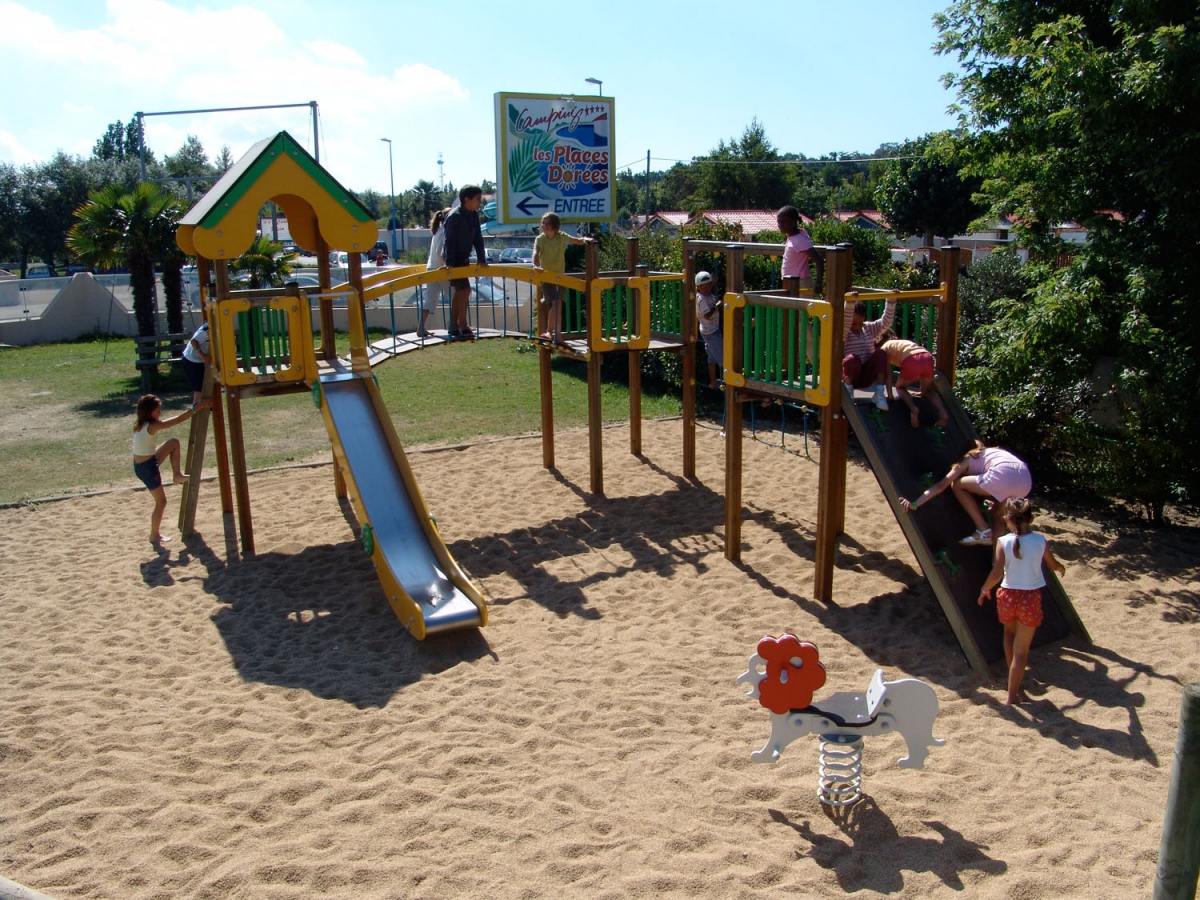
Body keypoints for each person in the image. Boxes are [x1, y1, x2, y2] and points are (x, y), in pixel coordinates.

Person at [977, 498, 1066, 704]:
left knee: (1009, 633)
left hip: (1007, 595)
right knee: (1022, 651)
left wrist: (984, 589)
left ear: (1008, 519)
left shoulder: (1003, 541)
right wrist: (1061, 567)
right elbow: (1052, 565)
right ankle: (1012, 695)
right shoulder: (1039, 541)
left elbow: (996, 573)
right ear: (1030, 518)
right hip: (1029, 597)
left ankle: (1013, 678)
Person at [900, 439, 1033, 546]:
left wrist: (915, 503)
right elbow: (1007, 477)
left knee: (957, 485)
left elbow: (941, 486)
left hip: (1002, 476)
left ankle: (983, 529)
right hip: (1025, 481)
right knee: (998, 516)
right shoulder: (993, 452)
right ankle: (998, 564)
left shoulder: (970, 458)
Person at [132, 394, 209, 544]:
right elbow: (177, 420)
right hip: (147, 468)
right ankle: (154, 535)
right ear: (149, 411)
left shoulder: (141, 424)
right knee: (161, 502)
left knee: (173, 443)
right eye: (157, 411)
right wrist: (196, 408)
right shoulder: (152, 426)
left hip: (147, 462)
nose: (160, 413)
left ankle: (177, 475)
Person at [532, 212, 592, 345]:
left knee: (558, 305)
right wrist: (536, 265)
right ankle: (549, 331)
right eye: (543, 223)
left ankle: (557, 335)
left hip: (559, 277)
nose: (544, 226)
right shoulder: (541, 239)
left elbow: (576, 240)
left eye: (547, 223)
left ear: (554, 225)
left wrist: (585, 240)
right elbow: (535, 253)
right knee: (556, 302)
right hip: (547, 276)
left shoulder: (561, 237)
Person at [441, 185, 489, 340]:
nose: (479, 203)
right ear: (466, 200)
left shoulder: (473, 215)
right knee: (465, 290)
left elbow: (478, 238)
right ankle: (462, 324)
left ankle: (454, 325)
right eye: (477, 199)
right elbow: (449, 241)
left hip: (463, 259)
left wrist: (482, 259)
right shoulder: (454, 216)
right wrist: (449, 263)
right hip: (453, 259)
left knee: (461, 291)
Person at [875, 328, 949, 428]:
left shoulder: (883, 349)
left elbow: (887, 374)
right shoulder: (901, 342)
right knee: (927, 391)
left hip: (912, 359)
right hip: (927, 357)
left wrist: (890, 395)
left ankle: (913, 409)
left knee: (900, 387)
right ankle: (943, 412)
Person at [843, 298, 895, 411]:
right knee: (852, 359)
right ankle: (848, 391)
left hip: (866, 375)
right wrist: (849, 302)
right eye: (854, 324)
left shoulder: (868, 328)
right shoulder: (844, 332)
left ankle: (879, 393)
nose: (857, 327)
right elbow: (846, 320)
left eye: (860, 323)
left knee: (881, 353)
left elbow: (886, 322)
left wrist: (891, 301)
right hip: (851, 376)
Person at [776, 206, 823, 290]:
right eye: (778, 222)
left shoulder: (800, 240)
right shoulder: (793, 237)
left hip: (800, 283)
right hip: (791, 281)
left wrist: (819, 282)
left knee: (800, 303)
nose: (780, 225)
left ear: (794, 222)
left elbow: (818, 258)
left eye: (783, 222)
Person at [422, 208, 449, 337]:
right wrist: (446, 264)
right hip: (440, 269)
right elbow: (440, 252)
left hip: (431, 268)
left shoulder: (437, 231)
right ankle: (457, 324)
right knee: (457, 295)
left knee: (430, 299)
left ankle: (421, 327)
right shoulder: (444, 232)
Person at [694, 271, 723, 388]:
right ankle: (728, 380)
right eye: (703, 286)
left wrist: (713, 283)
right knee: (723, 356)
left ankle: (713, 381)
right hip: (711, 332)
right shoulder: (701, 300)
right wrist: (717, 306)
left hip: (709, 330)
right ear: (698, 288)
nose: (706, 288)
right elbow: (707, 315)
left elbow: (707, 287)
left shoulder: (706, 293)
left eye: (708, 285)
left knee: (711, 357)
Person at [180, 320, 211, 406]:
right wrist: (203, 356)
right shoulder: (208, 329)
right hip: (192, 360)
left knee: (204, 385)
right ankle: (197, 406)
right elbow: (194, 341)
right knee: (199, 387)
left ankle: (203, 405)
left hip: (199, 360)